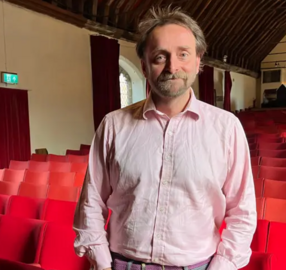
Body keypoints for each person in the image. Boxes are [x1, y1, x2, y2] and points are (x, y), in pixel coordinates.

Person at [73, 6, 257, 270]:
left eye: (183, 54)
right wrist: (103, 264)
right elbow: (91, 203)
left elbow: (242, 212)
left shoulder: (227, 128)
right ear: (144, 66)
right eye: (160, 57)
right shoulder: (113, 125)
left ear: (198, 61)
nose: (173, 66)